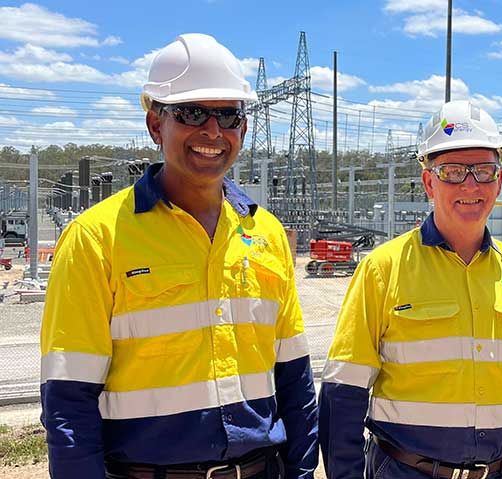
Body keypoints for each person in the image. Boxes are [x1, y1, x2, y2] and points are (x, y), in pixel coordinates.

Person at [40, 33, 318, 479]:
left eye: (228, 116)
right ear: (156, 126)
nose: (213, 131)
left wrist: (302, 472)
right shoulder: (96, 238)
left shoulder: (265, 233)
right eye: (191, 113)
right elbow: (68, 399)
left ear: (243, 129)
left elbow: (294, 376)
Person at [318, 100, 502, 479]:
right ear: (428, 182)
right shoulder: (382, 270)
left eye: (484, 171)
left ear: (499, 181)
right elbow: (343, 395)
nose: (470, 185)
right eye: (452, 171)